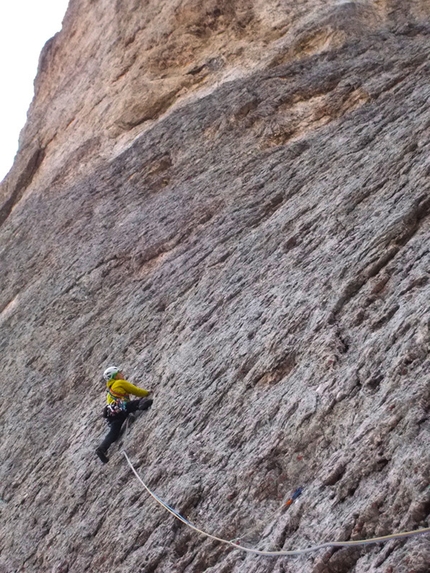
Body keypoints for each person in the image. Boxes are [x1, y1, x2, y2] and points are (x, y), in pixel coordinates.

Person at [95, 366, 153, 463]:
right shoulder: (119, 383)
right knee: (136, 403)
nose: (122, 374)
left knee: (113, 433)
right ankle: (142, 405)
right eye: (119, 373)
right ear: (115, 376)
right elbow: (135, 390)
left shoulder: (109, 392)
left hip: (112, 416)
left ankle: (102, 449)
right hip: (121, 409)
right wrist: (147, 393)